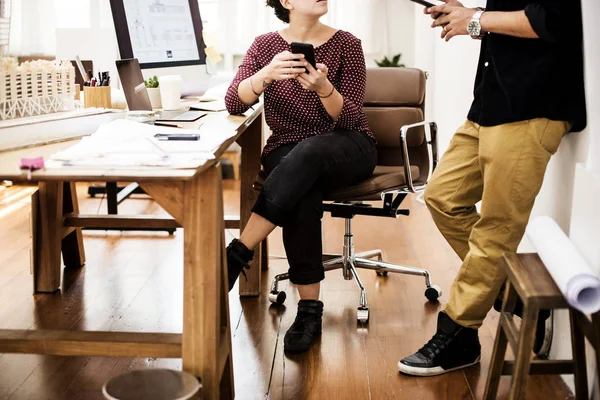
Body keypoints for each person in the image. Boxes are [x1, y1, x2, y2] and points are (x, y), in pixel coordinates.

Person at [398, 0, 586, 376]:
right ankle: (507, 291)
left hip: (531, 107)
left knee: (496, 230)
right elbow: (518, 12)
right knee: (442, 197)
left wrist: (477, 19)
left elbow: (551, 19)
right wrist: (469, 14)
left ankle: (458, 334)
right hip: (490, 102)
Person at [224, 0, 377, 354]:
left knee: (305, 156)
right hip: (288, 150)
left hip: (348, 147)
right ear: (286, 1)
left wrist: (324, 89)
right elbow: (234, 102)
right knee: (300, 185)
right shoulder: (264, 46)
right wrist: (265, 75)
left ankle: (238, 252)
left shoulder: (347, 43)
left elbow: (352, 119)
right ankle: (310, 311)